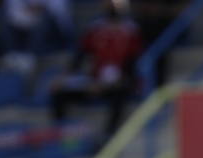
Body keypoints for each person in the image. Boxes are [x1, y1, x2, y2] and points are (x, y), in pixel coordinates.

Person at [48, 0, 142, 140]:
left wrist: (118, 80)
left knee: (120, 93)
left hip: (119, 80)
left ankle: (109, 135)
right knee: (58, 91)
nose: (112, 7)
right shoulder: (96, 28)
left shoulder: (132, 31)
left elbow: (133, 62)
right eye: (109, 4)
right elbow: (80, 55)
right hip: (95, 80)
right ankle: (59, 131)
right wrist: (66, 77)